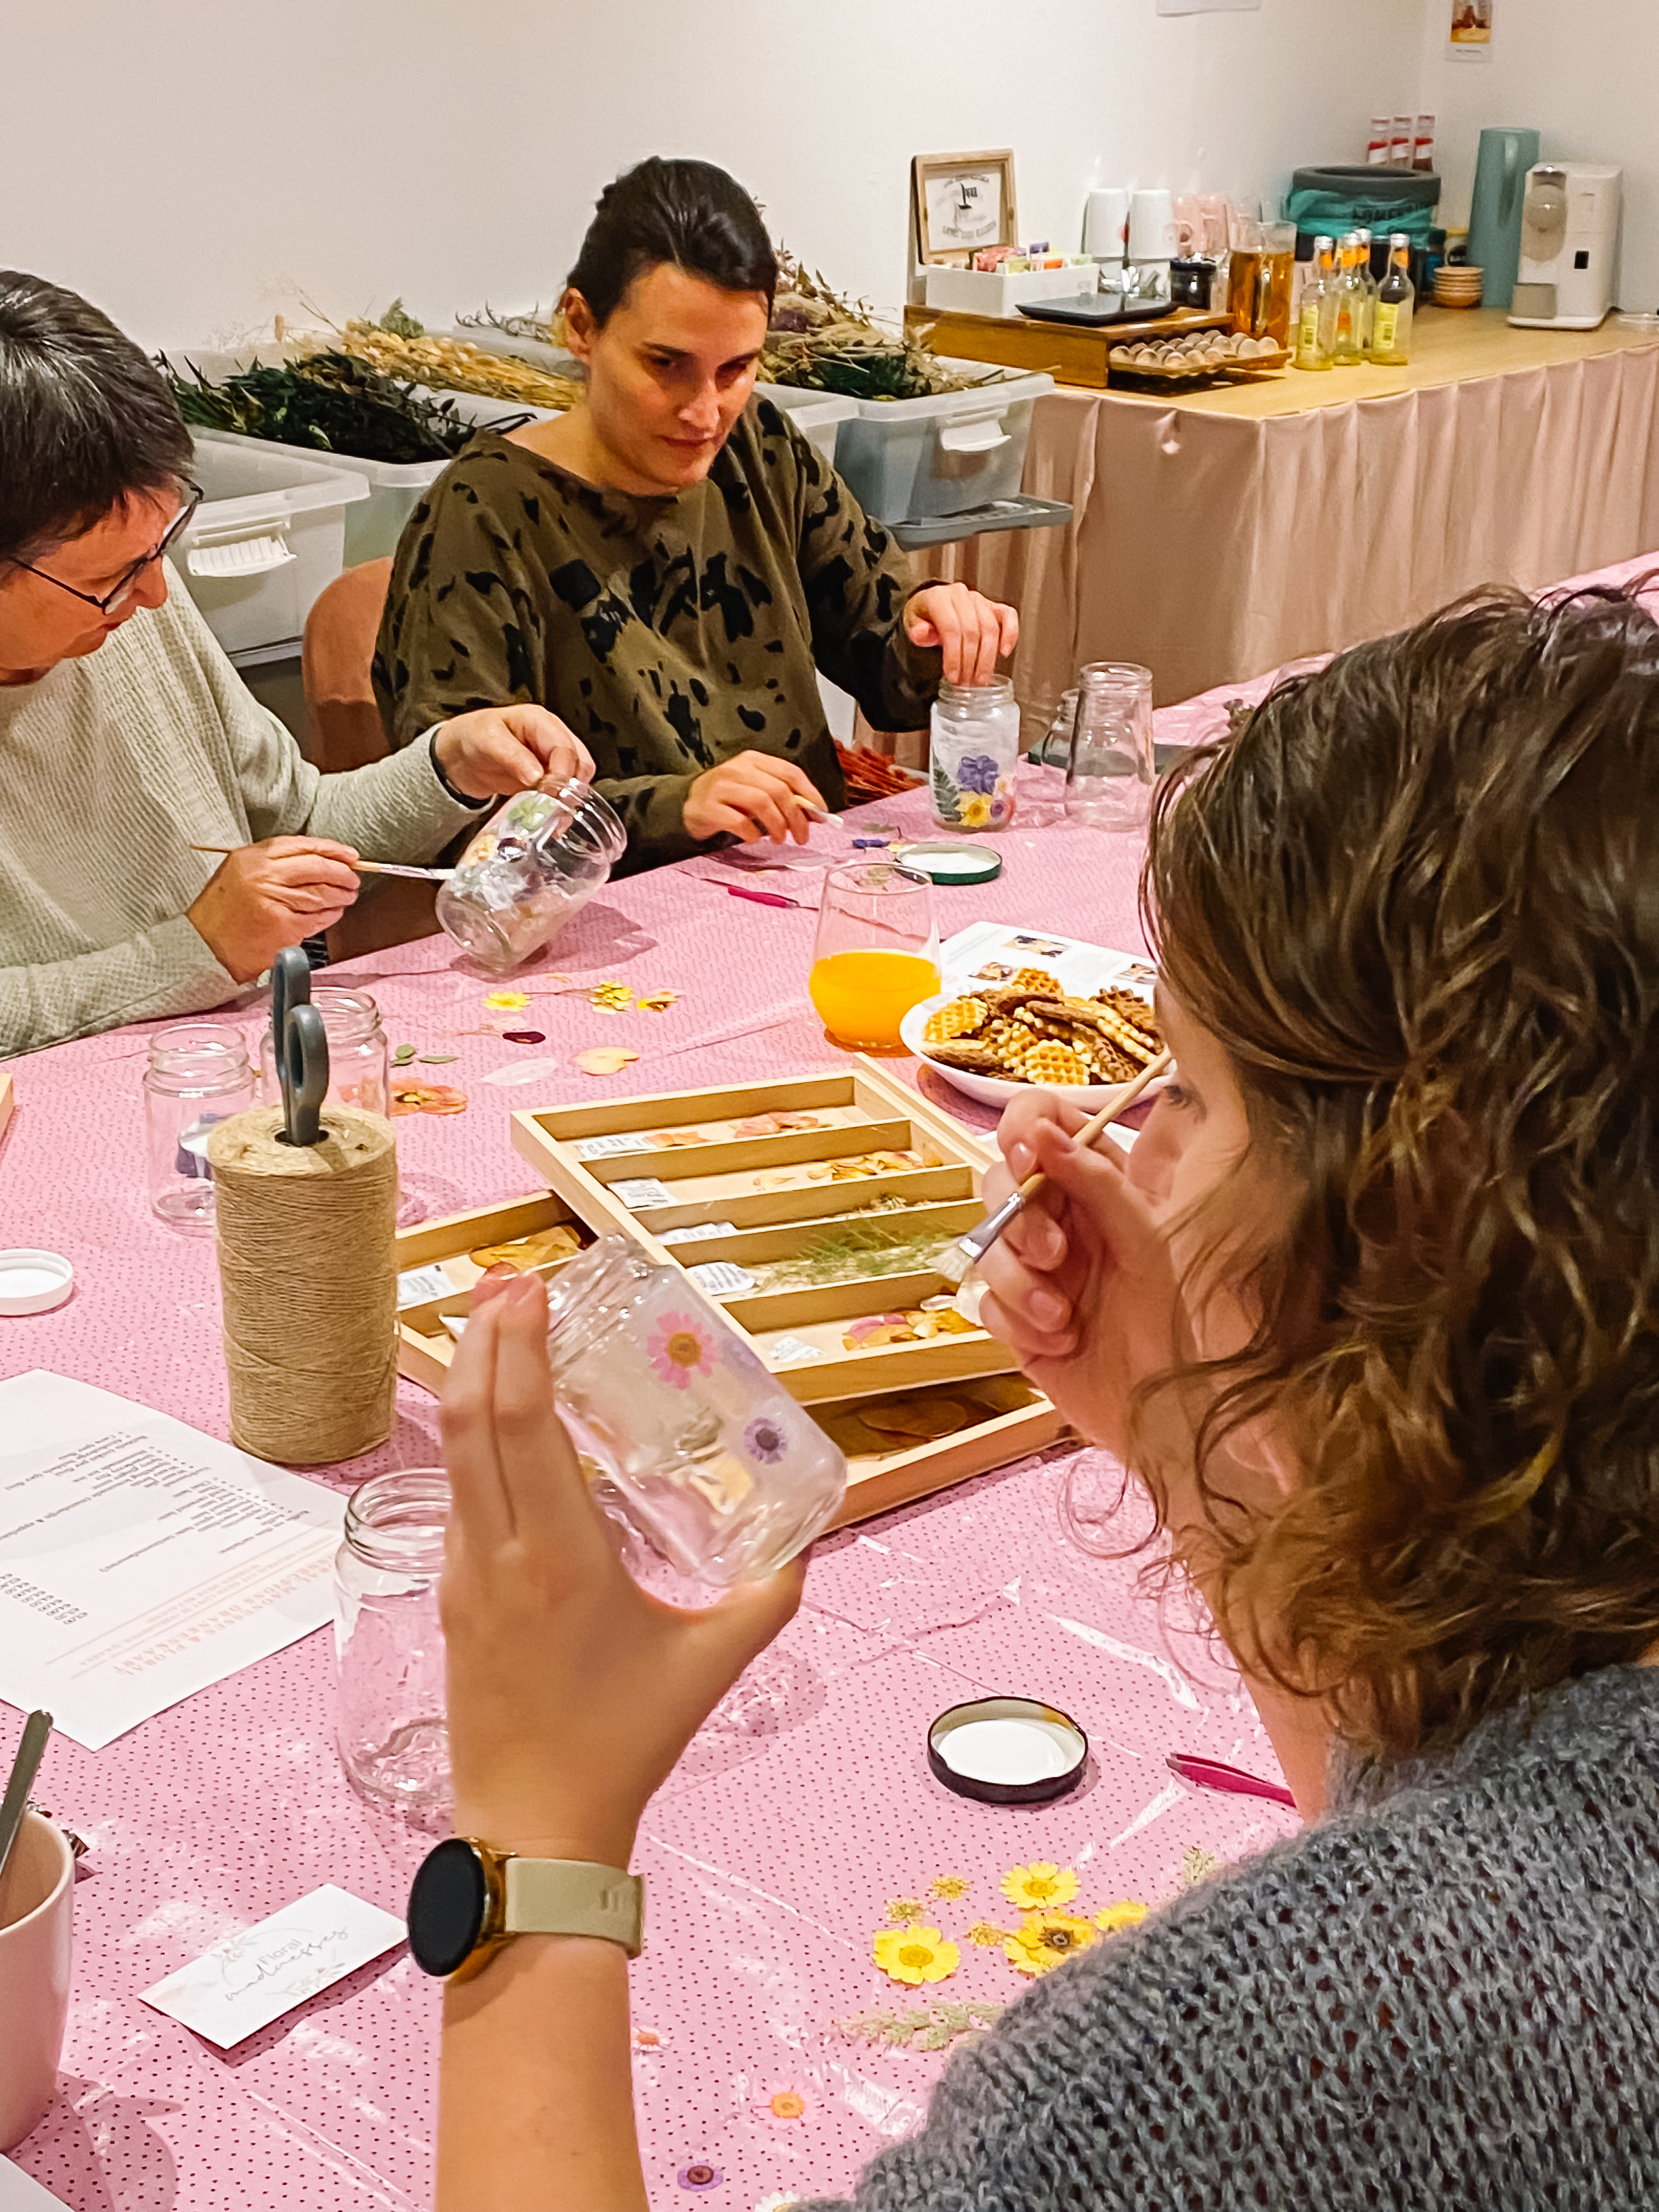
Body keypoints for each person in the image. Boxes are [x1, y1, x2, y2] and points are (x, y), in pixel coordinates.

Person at [427, 586, 1659, 2210]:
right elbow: (1436, 1788)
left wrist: (537, 1835)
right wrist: (1195, 1429)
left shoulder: (1250, 2066)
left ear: (1407, 1222)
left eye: (1191, 1093)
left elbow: (1421, 1952)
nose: (1136, 1135)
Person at [0, 272, 594, 1057]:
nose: (151, 594)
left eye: (160, 548)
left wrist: (450, 767)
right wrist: (199, 950)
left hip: (249, 1064)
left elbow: (298, 820)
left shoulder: (137, 598)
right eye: (102, 579)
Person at [374, 158, 1018, 873]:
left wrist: (931, 625)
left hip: (796, 874)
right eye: (666, 365)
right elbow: (462, 817)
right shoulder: (483, 514)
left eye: (736, 369)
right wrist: (677, 807)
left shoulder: (760, 448)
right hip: (605, 925)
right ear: (581, 326)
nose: (705, 413)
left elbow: (885, 657)